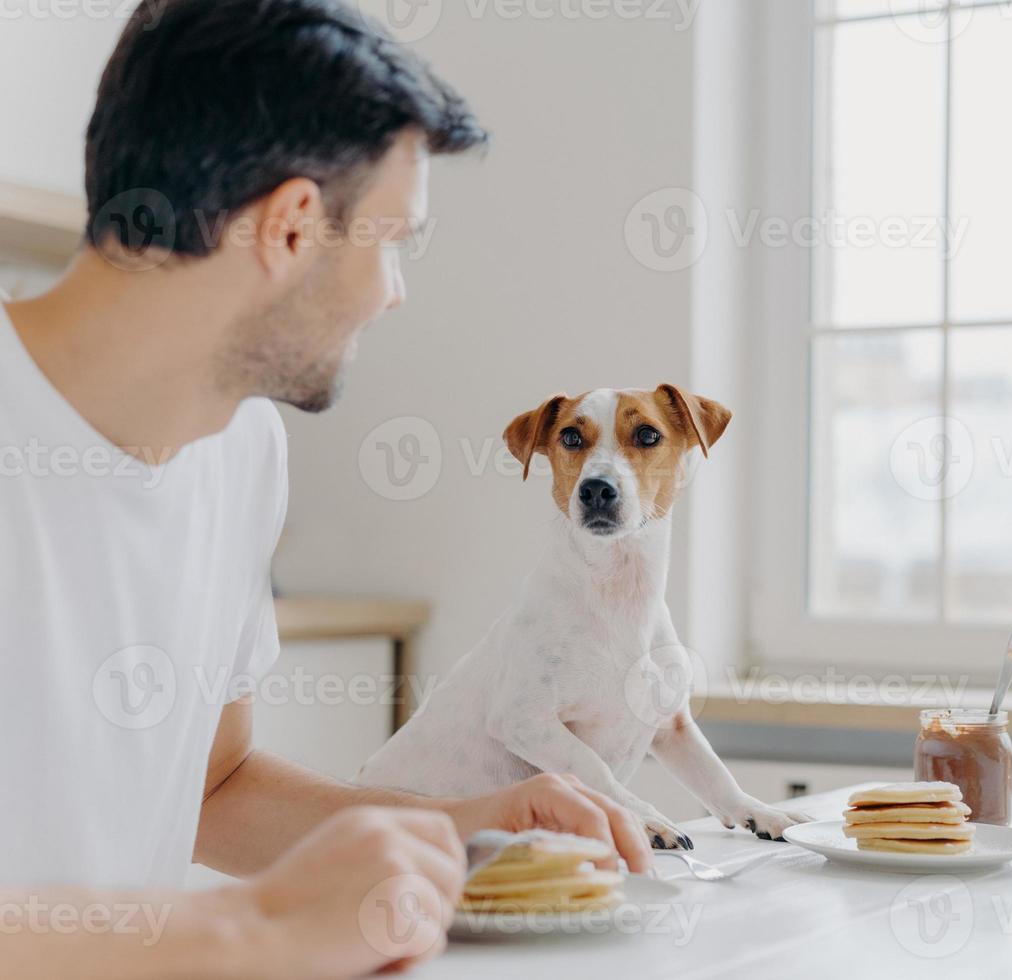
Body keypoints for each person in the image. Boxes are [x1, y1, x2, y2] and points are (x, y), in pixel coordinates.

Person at [0, 0, 652, 975]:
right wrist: (253, 931)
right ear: (295, 226)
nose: (395, 290)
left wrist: (460, 832)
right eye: (394, 240)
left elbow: (213, 786)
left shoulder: (242, 450)